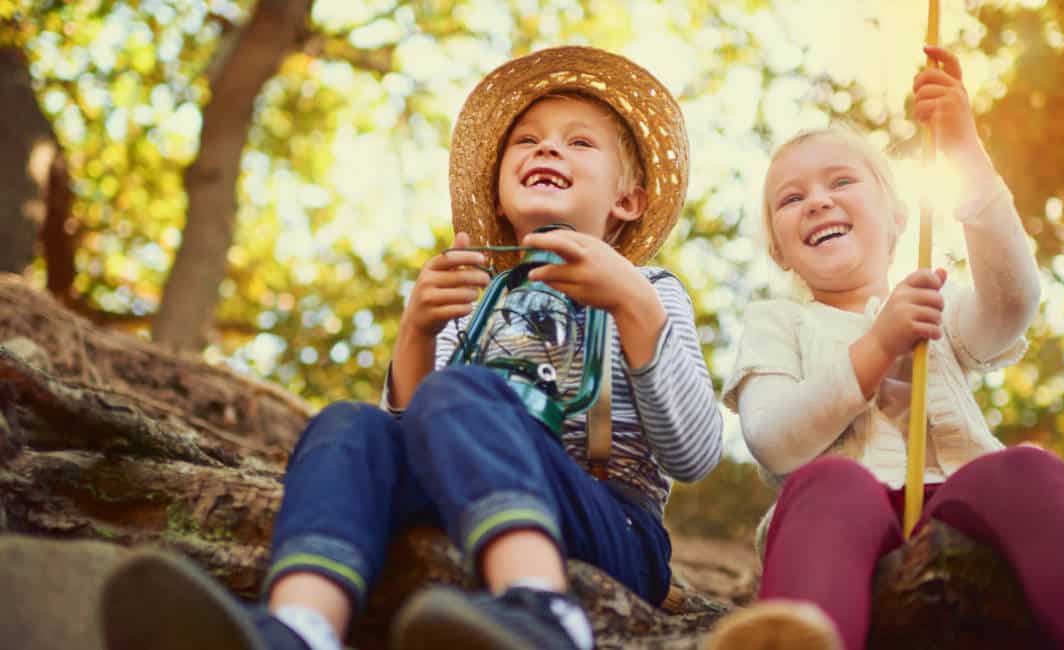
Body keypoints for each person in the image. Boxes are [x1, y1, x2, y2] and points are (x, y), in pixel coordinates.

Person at [102, 45, 723, 650]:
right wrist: (417, 333)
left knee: (461, 393)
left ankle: (543, 612)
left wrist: (634, 307)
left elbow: (694, 454)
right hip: (466, 496)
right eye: (527, 140)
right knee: (349, 425)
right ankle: (299, 626)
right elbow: (412, 437)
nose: (548, 147)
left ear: (627, 201)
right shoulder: (474, 292)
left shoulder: (652, 290)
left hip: (612, 519)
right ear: (501, 187)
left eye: (579, 141)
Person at [706, 45, 1064, 650]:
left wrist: (965, 152)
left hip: (963, 506)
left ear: (898, 215)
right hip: (838, 525)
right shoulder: (777, 321)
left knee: (1025, 469)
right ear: (779, 249)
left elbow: (1012, 305)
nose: (818, 201)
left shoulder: (937, 299)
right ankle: (801, 633)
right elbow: (773, 441)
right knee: (829, 484)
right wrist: (878, 347)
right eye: (790, 198)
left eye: (842, 182)